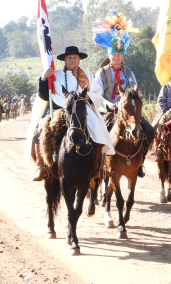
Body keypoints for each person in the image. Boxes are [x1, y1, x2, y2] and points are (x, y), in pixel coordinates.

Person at [32, 45, 115, 181]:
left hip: (83, 109)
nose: (72, 60)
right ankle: (40, 165)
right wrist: (43, 78)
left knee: (98, 127)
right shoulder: (55, 75)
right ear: (65, 59)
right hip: (60, 109)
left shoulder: (87, 75)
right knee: (42, 127)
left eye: (75, 58)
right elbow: (44, 96)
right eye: (69, 58)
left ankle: (98, 167)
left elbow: (97, 93)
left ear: (79, 60)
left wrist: (89, 96)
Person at [92, 12, 156, 178]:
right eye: (113, 54)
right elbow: (97, 94)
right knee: (95, 133)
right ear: (109, 55)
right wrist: (108, 104)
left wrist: (132, 98)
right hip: (107, 110)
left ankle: (139, 161)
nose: (116, 57)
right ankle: (97, 164)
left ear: (123, 55)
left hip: (127, 111)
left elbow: (136, 92)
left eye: (119, 54)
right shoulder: (101, 73)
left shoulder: (129, 72)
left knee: (149, 130)